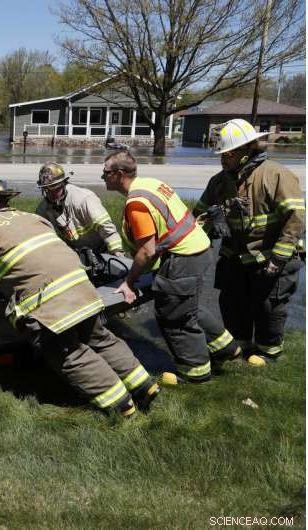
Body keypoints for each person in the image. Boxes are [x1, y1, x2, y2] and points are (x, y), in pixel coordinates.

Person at [0, 177, 160, 417]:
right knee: (101, 338)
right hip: (82, 289)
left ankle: (121, 407)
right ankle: (145, 387)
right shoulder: (33, 218)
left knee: (70, 353)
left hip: (49, 304)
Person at [103, 150, 246, 386]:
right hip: (198, 248)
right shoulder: (151, 184)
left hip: (183, 258)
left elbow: (147, 251)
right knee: (189, 305)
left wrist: (128, 283)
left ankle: (194, 372)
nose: (103, 177)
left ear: (119, 174)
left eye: (105, 173)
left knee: (174, 315)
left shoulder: (137, 203)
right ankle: (226, 349)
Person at [192, 119, 305, 362]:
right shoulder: (220, 182)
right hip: (235, 257)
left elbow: (296, 218)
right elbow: (197, 218)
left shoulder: (276, 176)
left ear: (246, 151)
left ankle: (269, 354)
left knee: (268, 307)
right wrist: (208, 222)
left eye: (228, 154)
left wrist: (279, 258)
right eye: (221, 154)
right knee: (232, 304)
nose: (223, 159)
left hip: (271, 257)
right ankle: (241, 349)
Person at [35, 163, 125, 256]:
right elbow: (40, 235)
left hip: (103, 250)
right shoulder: (43, 209)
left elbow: (105, 226)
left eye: (55, 189)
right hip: (76, 254)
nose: (52, 194)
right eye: (47, 190)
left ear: (63, 184)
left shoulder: (83, 199)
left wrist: (116, 250)